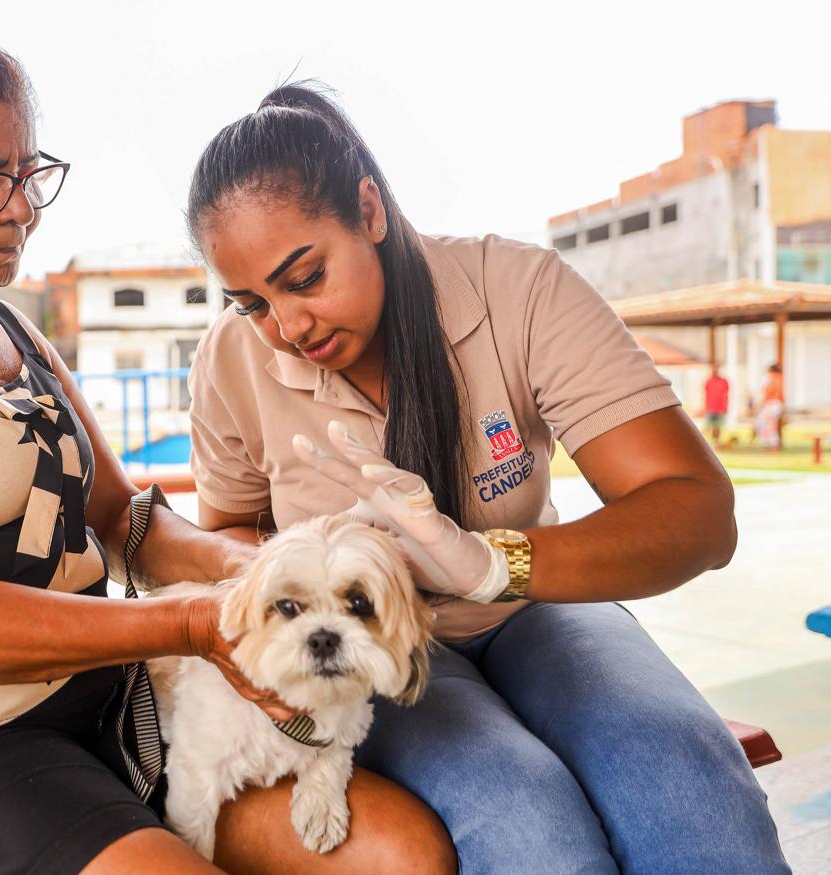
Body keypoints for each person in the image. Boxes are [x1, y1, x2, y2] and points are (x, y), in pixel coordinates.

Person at [0, 36, 453, 875]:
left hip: (104, 710)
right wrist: (184, 620)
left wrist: (247, 565)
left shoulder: (10, 331)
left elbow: (121, 520)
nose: (20, 208)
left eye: (29, 175)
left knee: (402, 856)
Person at [185, 82, 790, 874]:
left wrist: (496, 563)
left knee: (684, 783)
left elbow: (698, 513)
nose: (287, 328)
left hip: (538, 610)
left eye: (304, 278)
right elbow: (224, 532)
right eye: (251, 302)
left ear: (369, 211)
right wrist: (311, 595)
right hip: (378, 650)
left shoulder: (518, 290)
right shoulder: (233, 358)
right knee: (526, 822)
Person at [758, 363, 785, 450]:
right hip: (776, 404)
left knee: (766, 424)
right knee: (770, 424)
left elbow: (767, 394)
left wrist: (759, 405)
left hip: (771, 404)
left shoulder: (773, 379)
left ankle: (773, 444)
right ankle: (772, 444)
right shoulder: (780, 379)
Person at [704, 365, 730, 447]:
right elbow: (706, 395)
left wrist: (726, 406)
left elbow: (726, 395)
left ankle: (716, 442)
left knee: (718, 426)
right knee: (709, 425)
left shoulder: (724, 381)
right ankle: (708, 442)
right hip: (710, 407)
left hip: (720, 407)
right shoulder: (708, 381)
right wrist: (705, 406)